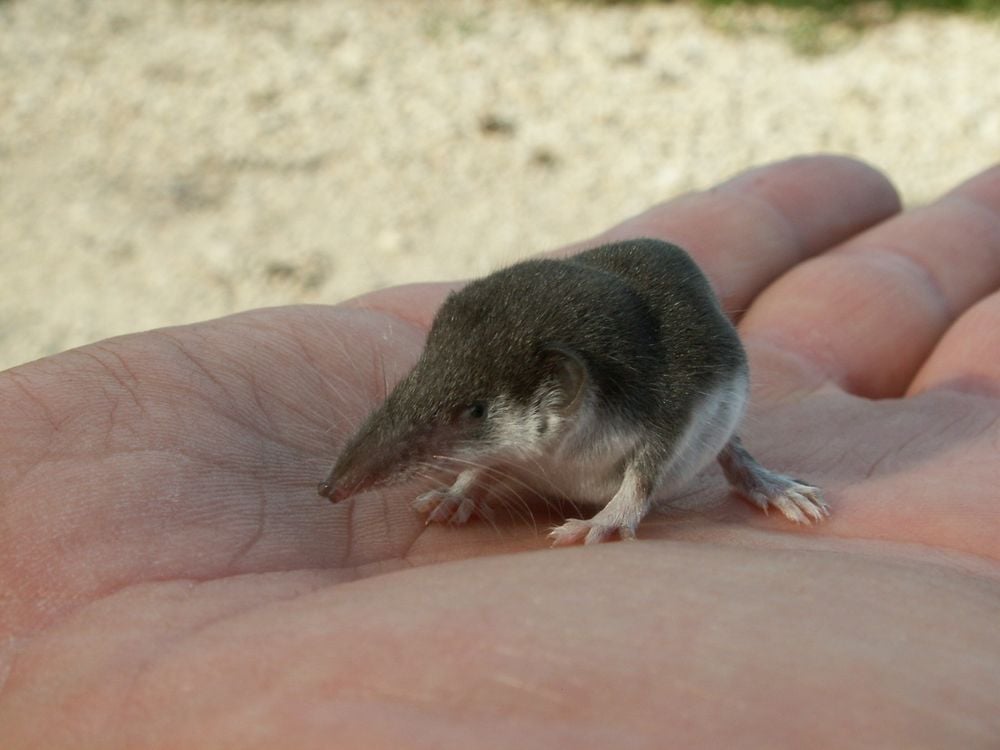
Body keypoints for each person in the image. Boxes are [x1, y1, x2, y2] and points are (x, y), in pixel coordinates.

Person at [1, 155, 997, 747]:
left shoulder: (642, 405)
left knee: (696, 442)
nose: (362, 475)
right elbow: (455, 420)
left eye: (470, 420)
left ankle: (744, 465)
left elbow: (640, 460)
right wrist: (476, 464)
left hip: (668, 380)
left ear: (560, 398)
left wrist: (619, 511)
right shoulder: (515, 388)